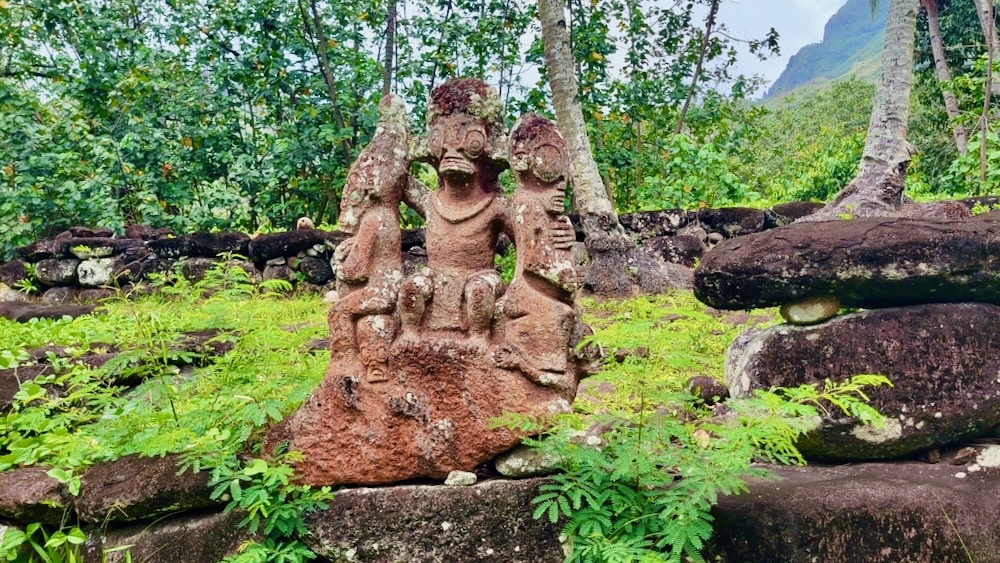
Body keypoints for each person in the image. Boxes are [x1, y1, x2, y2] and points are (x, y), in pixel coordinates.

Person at [398, 78, 510, 344]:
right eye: (441, 139)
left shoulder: (496, 205)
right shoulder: (430, 201)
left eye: (469, 141)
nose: (453, 150)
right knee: (411, 289)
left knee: (480, 292)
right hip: (434, 275)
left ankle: (479, 337)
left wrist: (556, 231)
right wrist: (394, 136)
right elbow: (395, 180)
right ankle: (410, 336)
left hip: (480, 275)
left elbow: (530, 234)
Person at [329, 94, 408, 382]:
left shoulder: (373, 220)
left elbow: (356, 270)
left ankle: (345, 362)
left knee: (337, 312)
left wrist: (340, 260)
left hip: (380, 290)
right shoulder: (387, 215)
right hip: (389, 287)